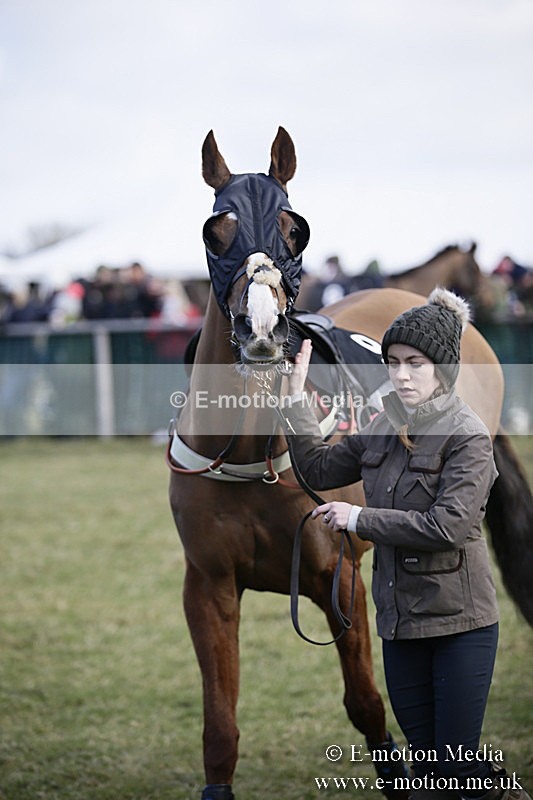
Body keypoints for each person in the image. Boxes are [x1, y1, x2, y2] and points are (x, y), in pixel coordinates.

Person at [285, 287, 530, 800]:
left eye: (414, 363)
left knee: (458, 770)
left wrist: (359, 518)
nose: (400, 375)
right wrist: (294, 402)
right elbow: (321, 468)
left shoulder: (468, 437)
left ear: (441, 367)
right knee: (426, 778)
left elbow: (448, 527)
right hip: (399, 626)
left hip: (459, 625)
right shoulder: (383, 422)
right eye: (392, 362)